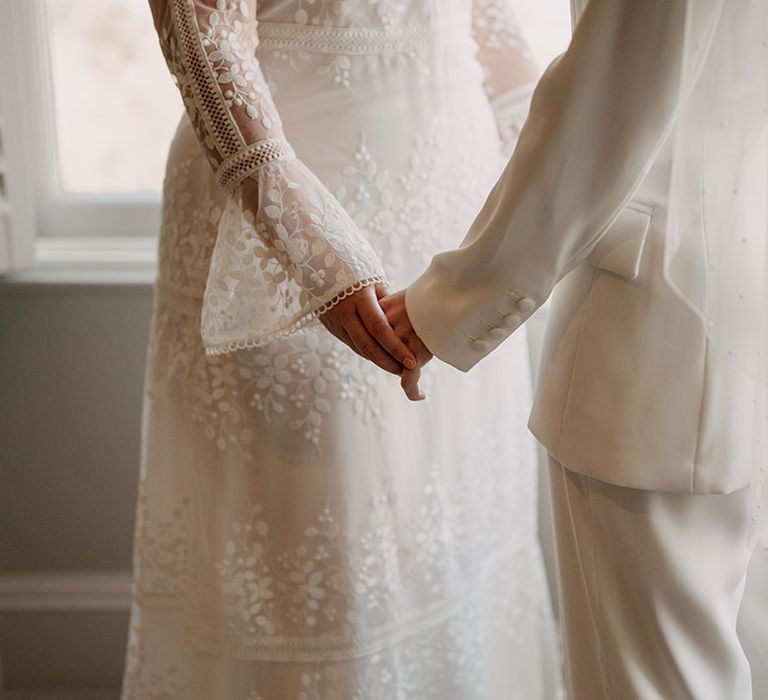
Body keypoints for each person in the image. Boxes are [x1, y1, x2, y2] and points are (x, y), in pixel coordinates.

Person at [121, 1, 562, 698]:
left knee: (447, 536)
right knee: (319, 547)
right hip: (287, 214)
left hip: (460, 218)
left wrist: (541, 209)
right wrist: (315, 253)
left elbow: (489, 27)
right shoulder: (303, 241)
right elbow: (204, 36)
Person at [378, 0, 768, 697]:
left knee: (652, 679)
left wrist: (445, 305)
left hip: (660, 331)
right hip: (742, 299)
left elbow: (599, 110)